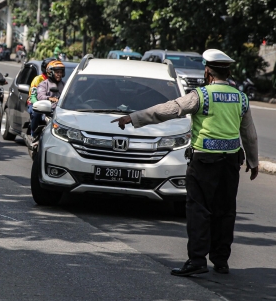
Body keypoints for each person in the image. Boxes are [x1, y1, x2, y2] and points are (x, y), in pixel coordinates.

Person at [111, 49, 259, 277]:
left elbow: (169, 109)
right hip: (230, 163)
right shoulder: (240, 97)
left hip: (204, 162)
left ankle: (197, 260)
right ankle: (221, 261)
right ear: (227, 72)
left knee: (199, 210)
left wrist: (134, 117)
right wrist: (253, 160)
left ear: (208, 72)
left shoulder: (201, 96)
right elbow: (249, 132)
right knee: (225, 211)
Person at [33, 61, 65, 134]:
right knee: (36, 114)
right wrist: (49, 98)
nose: (59, 74)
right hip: (47, 112)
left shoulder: (64, 84)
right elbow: (40, 96)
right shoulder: (43, 84)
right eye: (57, 72)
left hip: (61, 111)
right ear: (50, 72)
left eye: (61, 72)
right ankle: (33, 134)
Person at [27, 57, 55, 135]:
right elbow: (32, 96)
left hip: (51, 105)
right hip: (36, 103)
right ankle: (33, 134)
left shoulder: (58, 82)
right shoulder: (38, 79)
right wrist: (38, 104)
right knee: (37, 113)